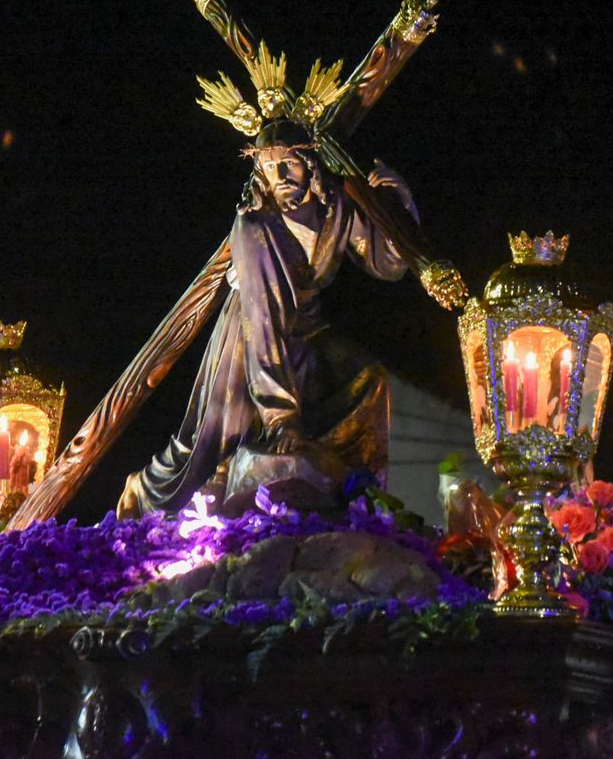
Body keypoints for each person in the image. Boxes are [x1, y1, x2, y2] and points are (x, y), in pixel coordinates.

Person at [118, 120, 420, 516]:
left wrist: (398, 204)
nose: (279, 176)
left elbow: (387, 263)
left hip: (307, 332)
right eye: (268, 165)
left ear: (311, 162)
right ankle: (145, 490)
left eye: (289, 163)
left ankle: (362, 493)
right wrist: (281, 419)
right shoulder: (253, 225)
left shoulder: (336, 209)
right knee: (215, 446)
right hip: (250, 339)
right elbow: (262, 319)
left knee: (371, 380)